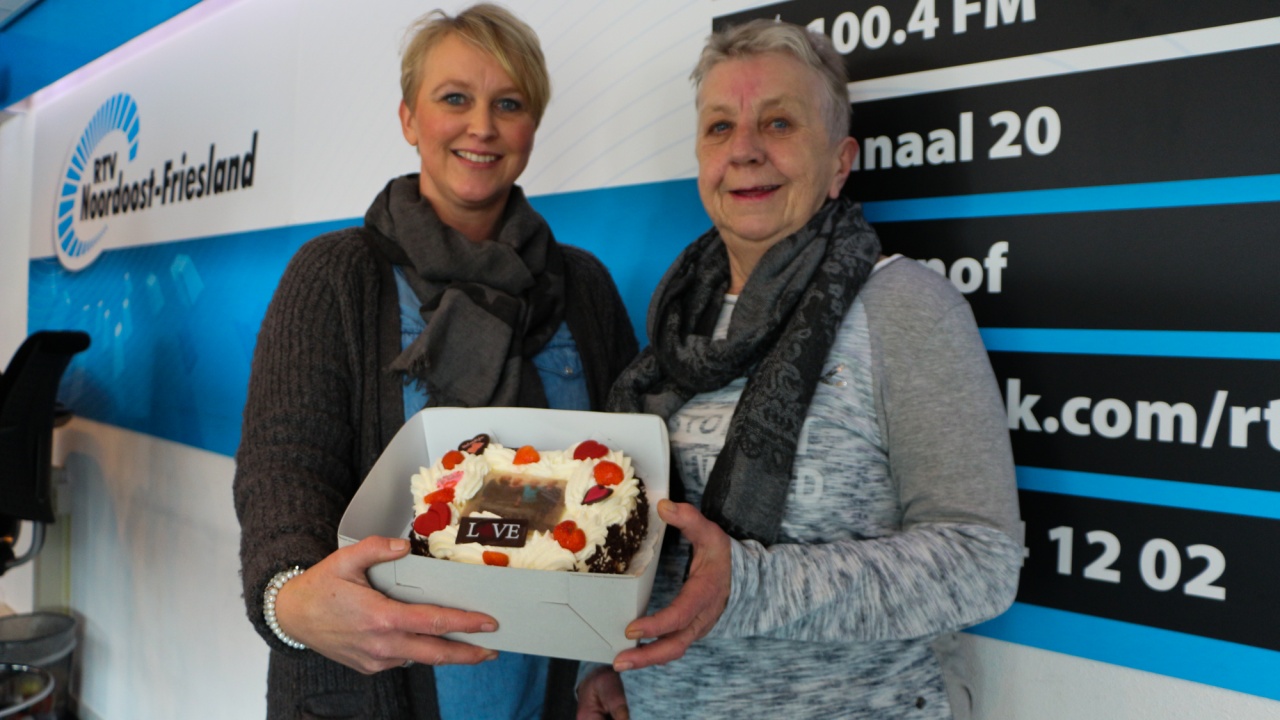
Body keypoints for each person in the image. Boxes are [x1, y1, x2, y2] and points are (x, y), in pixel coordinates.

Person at [578, 19, 1023, 720]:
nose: (745, 150)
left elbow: (982, 562)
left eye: (779, 123)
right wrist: (602, 660)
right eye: (720, 127)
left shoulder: (905, 308)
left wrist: (750, 584)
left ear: (840, 162)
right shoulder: (676, 319)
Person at [233, 6, 637, 719]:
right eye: (455, 98)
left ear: (532, 127)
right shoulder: (335, 275)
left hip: (544, 689)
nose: (481, 126)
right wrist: (288, 597)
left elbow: (625, 487)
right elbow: (285, 468)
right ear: (409, 119)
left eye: (508, 104)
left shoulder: (586, 288)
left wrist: (606, 658)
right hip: (368, 687)